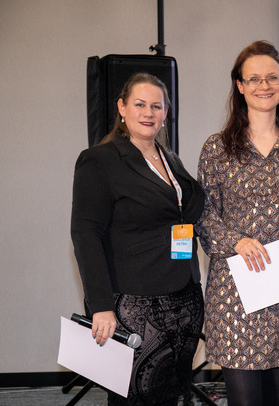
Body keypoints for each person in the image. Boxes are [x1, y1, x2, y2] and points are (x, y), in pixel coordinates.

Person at [71, 73, 205, 405]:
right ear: (122, 108)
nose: (148, 113)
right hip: (134, 304)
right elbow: (86, 235)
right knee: (132, 396)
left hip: (184, 298)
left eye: (156, 106)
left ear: (165, 112)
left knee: (171, 393)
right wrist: (101, 306)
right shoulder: (99, 160)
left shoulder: (170, 159)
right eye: (140, 104)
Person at [196, 40, 279, 406]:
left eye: (272, 77)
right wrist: (237, 241)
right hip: (237, 290)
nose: (264, 86)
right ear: (240, 85)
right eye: (254, 79)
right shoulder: (217, 148)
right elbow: (203, 217)